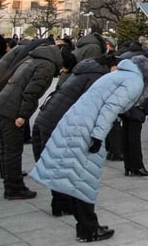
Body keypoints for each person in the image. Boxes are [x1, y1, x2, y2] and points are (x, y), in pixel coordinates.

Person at [30, 56, 148, 243]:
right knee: (83, 181)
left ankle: (85, 225)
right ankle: (89, 229)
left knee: (76, 177)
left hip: (76, 123)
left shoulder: (119, 75)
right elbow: (110, 108)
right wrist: (98, 136)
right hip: (87, 128)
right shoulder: (134, 81)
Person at [32, 54, 116, 216]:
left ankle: (60, 203)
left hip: (49, 116)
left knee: (59, 163)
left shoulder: (83, 71)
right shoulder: (97, 77)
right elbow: (92, 105)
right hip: (60, 120)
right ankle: (62, 204)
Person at [0, 42, 64, 199]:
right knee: (13, 150)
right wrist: (23, 115)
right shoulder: (46, 66)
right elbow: (31, 93)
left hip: (1, 105)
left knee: (6, 149)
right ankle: (14, 188)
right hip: (11, 110)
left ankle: (10, 184)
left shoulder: (32, 59)